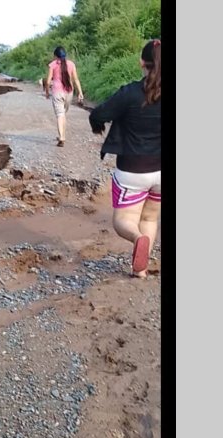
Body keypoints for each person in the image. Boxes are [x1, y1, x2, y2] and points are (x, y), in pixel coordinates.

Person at [88, 39, 161, 278]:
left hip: (132, 170)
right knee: (150, 217)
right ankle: (141, 268)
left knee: (124, 220)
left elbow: (100, 113)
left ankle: (137, 239)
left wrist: (97, 124)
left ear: (142, 62)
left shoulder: (129, 93)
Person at [45, 46, 84, 147]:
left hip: (57, 92)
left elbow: (48, 81)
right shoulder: (71, 64)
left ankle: (62, 137)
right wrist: (80, 92)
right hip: (69, 92)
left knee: (59, 114)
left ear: (55, 56)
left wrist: (47, 92)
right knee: (63, 114)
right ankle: (62, 135)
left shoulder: (52, 65)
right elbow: (76, 79)